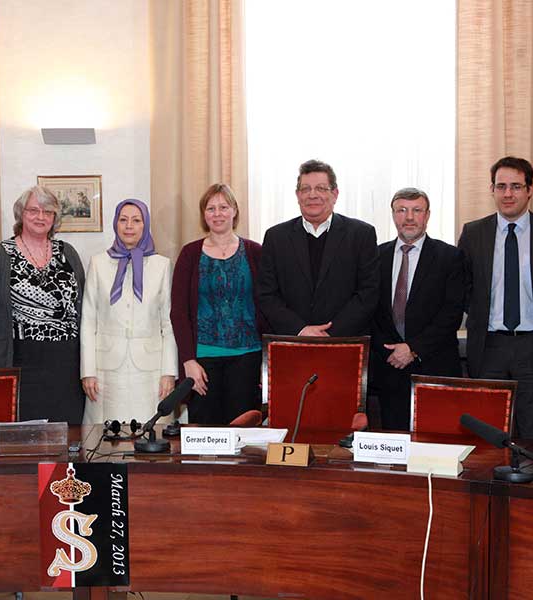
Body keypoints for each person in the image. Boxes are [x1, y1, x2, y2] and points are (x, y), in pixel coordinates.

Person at [457, 156, 533, 440]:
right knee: (488, 430)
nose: (508, 194)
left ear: (530, 190)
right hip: (489, 346)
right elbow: (463, 286)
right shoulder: (473, 232)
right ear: (492, 190)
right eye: (501, 186)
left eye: (515, 186)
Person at [0, 185, 85, 423]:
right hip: (20, 362)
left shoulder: (69, 254)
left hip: (67, 364)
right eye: (33, 210)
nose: (40, 216)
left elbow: (82, 307)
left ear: (55, 218)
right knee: (25, 435)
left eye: (48, 211)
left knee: (68, 433)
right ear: (21, 214)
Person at [171, 183, 266, 425]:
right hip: (202, 361)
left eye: (224, 207)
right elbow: (179, 313)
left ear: (234, 211)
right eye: (211, 208)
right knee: (204, 434)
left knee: (243, 431)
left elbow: (267, 304)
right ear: (204, 215)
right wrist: (188, 361)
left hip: (248, 358)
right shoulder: (190, 254)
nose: (218, 213)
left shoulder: (256, 252)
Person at [370, 188, 464, 430]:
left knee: (437, 443)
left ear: (427, 215)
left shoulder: (449, 257)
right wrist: (390, 350)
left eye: (416, 210)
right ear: (393, 215)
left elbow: (451, 313)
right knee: (394, 449)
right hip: (388, 367)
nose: (409, 217)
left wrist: (413, 349)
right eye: (401, 210)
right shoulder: (376, 256)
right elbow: (369, 310)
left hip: (434, 366)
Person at [80, 199, 178, 424]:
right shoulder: (97, 263)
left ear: (145, 225)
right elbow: (88, 321)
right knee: (106, 444)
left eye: (136, 220)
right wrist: (87, 371)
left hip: (151, 372)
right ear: (116, 224)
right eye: (123, 220)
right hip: (106, 371)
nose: (129, 226)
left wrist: (169, 372)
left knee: (150, 440)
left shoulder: (162, 265)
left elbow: (168, 324)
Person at [258, 159, 379, 337]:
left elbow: (368, 292)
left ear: (335, 194)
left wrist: (330, 333)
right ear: (298, 195)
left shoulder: (361, 234)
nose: (312, 195)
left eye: (321, 188)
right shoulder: (276, 237)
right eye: (305, 189)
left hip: (345, 342)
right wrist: (300, 330)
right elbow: (266, 294)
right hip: (292, 341)